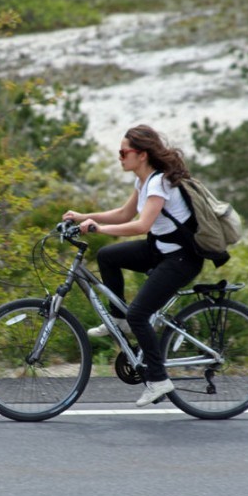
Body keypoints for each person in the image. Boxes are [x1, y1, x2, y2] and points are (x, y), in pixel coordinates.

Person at [63, 124, 204, 407]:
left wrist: (98, 229)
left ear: (141, 155)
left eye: (123, 152)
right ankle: (119, 320)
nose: (120, 157)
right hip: (160, 249)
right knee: (107, 257)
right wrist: (83, 217)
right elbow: (124, 213)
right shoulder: (143, 181)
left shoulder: (159, 182)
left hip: (180, 259)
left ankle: (158, 379)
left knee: (140, 313)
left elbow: (142, 224)